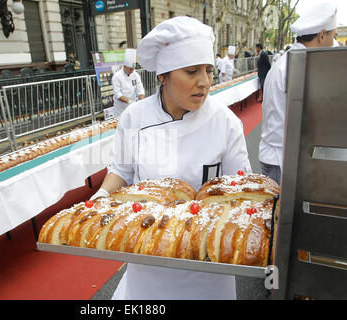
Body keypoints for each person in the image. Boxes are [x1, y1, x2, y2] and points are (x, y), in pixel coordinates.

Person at [91, 16, 252, 300]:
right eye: (191, 71)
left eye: (208, 71)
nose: (204, 82)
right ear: (163, 76)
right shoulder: (135, 118)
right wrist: (102, 194)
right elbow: (122, 170)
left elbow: (239, 190)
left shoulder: (225, 123)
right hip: (149, 256)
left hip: (206, 263)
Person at [259, 1, 338, 185]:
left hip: (277, 155)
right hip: (282, 159)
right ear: (320, 36)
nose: (332, 42)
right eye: (332, 36)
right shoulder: (298, 66)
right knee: (282, 213)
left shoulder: (287, 61)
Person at [111, 48, 145, 118]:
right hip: (120, 109)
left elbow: (140, 89)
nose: (132, 71)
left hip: (132, 108)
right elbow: (118, 95)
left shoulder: (135, 75)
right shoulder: (117, 76)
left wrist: (141, 100)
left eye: (133, 69)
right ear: (125, 66)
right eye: (130, 69)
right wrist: (130, 102)